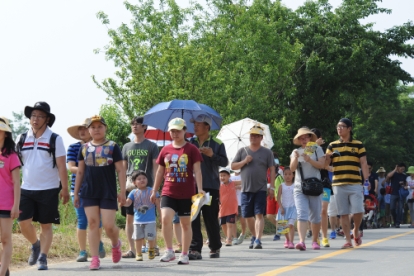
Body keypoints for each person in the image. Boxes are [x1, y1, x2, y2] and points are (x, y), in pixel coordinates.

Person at [17, 102, 69, 270]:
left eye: (40, 116)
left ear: (47, 119)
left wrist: (66, 189)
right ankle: (35, 244)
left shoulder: (55, 139)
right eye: (33, 116)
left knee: (46, 225)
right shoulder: (22, 137)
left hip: (49, 189)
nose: (35, 119)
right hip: (26, 188)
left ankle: (43, 257)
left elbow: (62, 166)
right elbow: (15, 164)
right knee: (23, 223)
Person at [73, 115, 126, 270]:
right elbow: (80, 172)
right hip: (88, 191)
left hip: (107, 191)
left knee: (109, 226)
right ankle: (94, 258)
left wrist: (122, 192)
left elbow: (120, 170)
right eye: (93, 127)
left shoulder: (112, 146)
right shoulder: (84, 148)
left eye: (99, 127)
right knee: (93, 224)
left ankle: (116, 244)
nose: (96, 130)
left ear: (105, 128)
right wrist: (76, 193)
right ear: (89, 130)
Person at [150, 118, 204, 265]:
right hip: (168, 190)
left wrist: (200, 189)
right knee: (165, 219)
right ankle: (169, 250)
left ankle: (185, 253)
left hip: (187, 192)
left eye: (178, 130)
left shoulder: (192, 149)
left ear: (185, 131)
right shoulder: (165, 149)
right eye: (172, 131)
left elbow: (198, 171)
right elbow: (160, 172)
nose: (175, 133)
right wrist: (154, 190)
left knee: (185, 224)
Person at [188, 114, 228, 259]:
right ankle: (195, 248)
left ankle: (215, 247)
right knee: (193, 217)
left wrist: (212, 155)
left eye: (199, 124)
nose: (195, 126)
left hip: (210, 186)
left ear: (207, 127)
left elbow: (224, 162)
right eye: (194, 124)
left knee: (210, 217)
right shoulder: (190, 142)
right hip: (192, 186)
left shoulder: (217, 143)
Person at [325, 118, 368, 249]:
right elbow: (325, 164)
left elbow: (363, 163)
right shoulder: (332, 145)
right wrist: (329, 158)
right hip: (338, 184)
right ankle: (348, 240)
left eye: (342, 126)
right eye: (338, 126)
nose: (339, 129)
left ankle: (355, 229)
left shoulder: (358, 144)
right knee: (343, 213)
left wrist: (366, 180)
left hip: (355, 182)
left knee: (358, 210)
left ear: (349, 128)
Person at [231, 124, 275, 250]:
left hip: (260, 188)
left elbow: (272, 170)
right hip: (245, 189)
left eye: (256, 136)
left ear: (261, 138)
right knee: (247, 216)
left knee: (259, 214)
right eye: (251, 135)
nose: (253, 138)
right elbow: (233, 166)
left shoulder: (267, 152)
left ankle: (258, 240)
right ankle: (255, 236)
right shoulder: (242, 151)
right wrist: (244, 161)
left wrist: (271, 187)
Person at [67, 119, 106, 262]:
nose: (82, 131)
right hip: (78, 189)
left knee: (97, 221)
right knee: (82, 220)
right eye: (80, 129)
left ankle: (98, 242)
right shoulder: (73, 147)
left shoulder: (100, 147)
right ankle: (82, 251)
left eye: (84, 128)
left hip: (97, 189)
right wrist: (87, 170)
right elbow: (71, 167)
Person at [121, 116, 159, 258]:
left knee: (149, 218)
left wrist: (155, 188)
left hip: (147, 188)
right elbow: (123, 170)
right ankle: (132, 249)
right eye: (133, 123)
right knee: (130, 218)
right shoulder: (126, 146)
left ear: (145, 127)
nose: (135, 126)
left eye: (138, 124)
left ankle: (152, 246)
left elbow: (156, 168)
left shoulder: (151, 146)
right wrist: (122, 189)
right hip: (131, 188)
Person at [290, 127, 325, 251]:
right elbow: (292, 169)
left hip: (314, 186)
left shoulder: (317, 149)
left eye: (306, 137)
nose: (304, 139)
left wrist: (309, 160)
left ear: (310, 137)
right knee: (301, 214)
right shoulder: (296, 151)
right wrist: (295, 158)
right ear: (299, 140)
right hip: (300, 187)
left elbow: (322, 165)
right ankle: (301, 241)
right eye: (301, 138)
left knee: (315, 216)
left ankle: (315, 241)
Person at [123, 170, 160, 261]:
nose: (142, 180)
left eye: (144, 178)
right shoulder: (133, 193)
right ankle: (139, 253)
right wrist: (122, 202)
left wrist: (161, 215)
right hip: (137, 221)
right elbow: (128, 203)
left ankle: (151, 249)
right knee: (138, 238)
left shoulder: (152, 191)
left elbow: (158, 204)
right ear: (134, 182)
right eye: (139, 179)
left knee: (151, 237)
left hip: (150, 220)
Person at [0, 117, 21, 276]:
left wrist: (16, 205)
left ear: (6, 134)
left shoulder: (12, 156)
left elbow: (16, 182)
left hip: (7, 204)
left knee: (6, 239)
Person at [311, 128, 331, 247]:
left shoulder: (324, 150)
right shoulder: (306, 150)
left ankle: (324, 237)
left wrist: (328, 158)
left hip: (323, 184)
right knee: (314, 211)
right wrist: (313, 146)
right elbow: (304, 159)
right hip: (310, 184)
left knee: (323, 210)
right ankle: (315, 236)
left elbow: (326, 166)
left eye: (314, 137)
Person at [276, 167, 296, 249]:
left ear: (293, 175)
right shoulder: (282, 186)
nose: (287, 176)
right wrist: (281, 207)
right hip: (283, 208)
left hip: (293, 208)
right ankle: (287, 240)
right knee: (283, 226)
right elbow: (278, 198)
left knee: (291, 225)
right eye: (285, 174)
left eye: (289, 174)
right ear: (283, 175)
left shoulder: (295, 186)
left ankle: (291, 242)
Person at [218, 167, 238, 246]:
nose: (222, 177)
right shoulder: (218, 185)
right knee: (223, 224)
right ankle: (228, 237)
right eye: (221, 176)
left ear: (229, 176)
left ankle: (229, 239)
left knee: (229, 224)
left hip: (232, 208)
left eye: (224, 175)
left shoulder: (233, 183)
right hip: (222, 208)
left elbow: (244, 181)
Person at [266, 152, 281, 241]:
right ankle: (281, 228)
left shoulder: (281, 170)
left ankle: (278, 233)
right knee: (269, 216)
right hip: (270, 195)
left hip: (280, 195)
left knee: (279, 215)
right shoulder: (266, 170)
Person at [232, 170, 247, 245]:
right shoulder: (230, 176)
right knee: (233, 220)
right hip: (232, 202)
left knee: (242, 220)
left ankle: (243, 233)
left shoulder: (244, 175)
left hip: (242, 201)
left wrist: (240, 187)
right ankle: (234, 237)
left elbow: (247, 185)